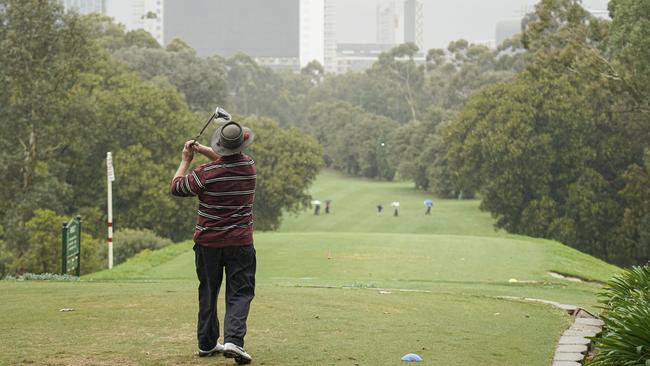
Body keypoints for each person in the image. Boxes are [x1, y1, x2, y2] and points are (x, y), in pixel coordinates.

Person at [170, 121, 256, 364]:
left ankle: (207, 344)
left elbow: (177, 187)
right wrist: (203, 150)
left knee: (208, 291)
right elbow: (226, 159)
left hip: (208, 243)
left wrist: (187, 159)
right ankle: (233, 341)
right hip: (240, 243)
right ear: (241, 145)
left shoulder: (205, 174)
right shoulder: (249, 166)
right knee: (240, 291)